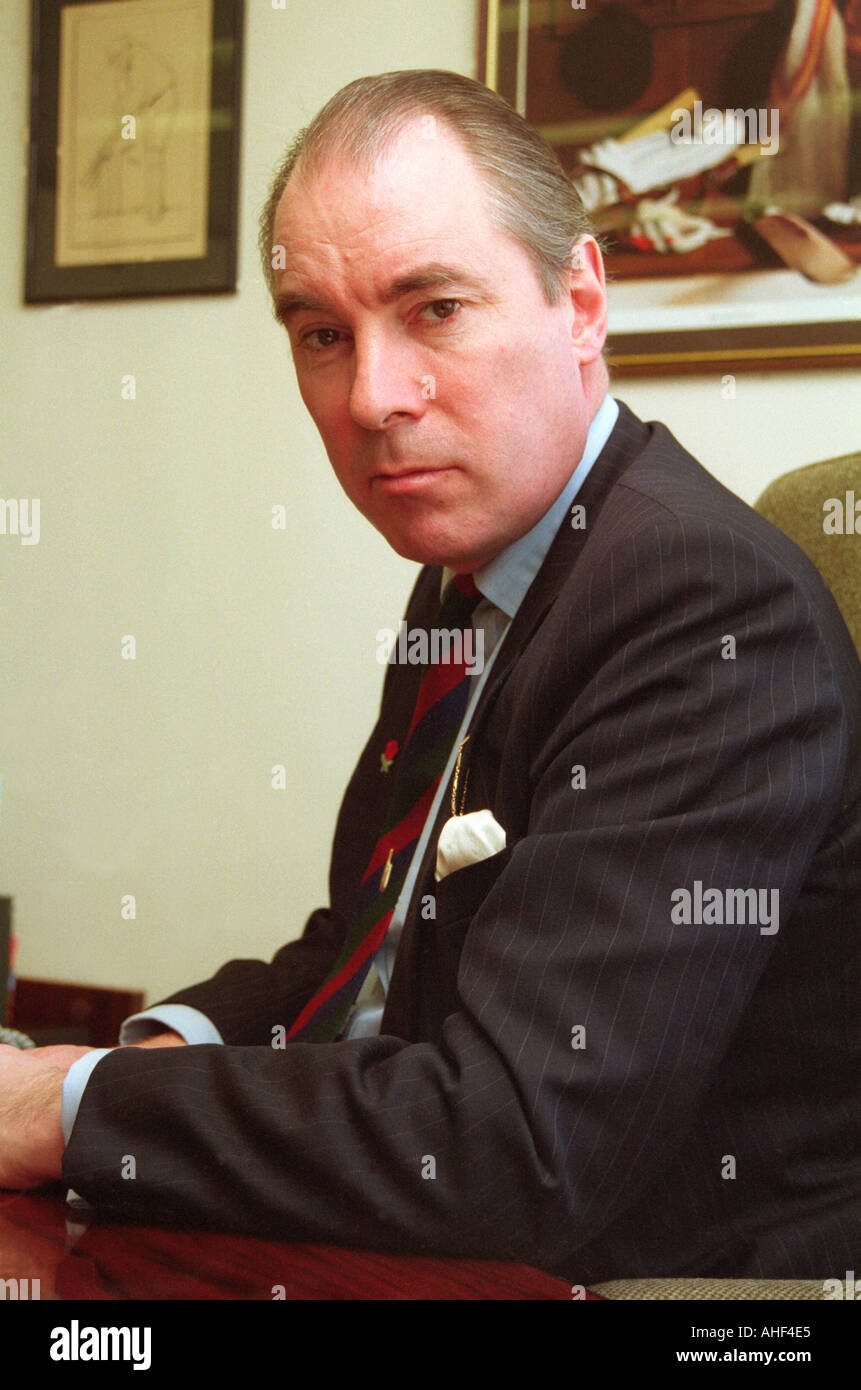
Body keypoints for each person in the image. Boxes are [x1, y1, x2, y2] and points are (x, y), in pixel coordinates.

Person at [1, 70, 858, 1283]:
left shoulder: (698, 602)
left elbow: (519, 1144)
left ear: (579, 300)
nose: (371, 397)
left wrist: (62, 1108)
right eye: (321, 334)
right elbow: (369, 954)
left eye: (436, 310)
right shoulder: (480, 572)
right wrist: (136, 1049)